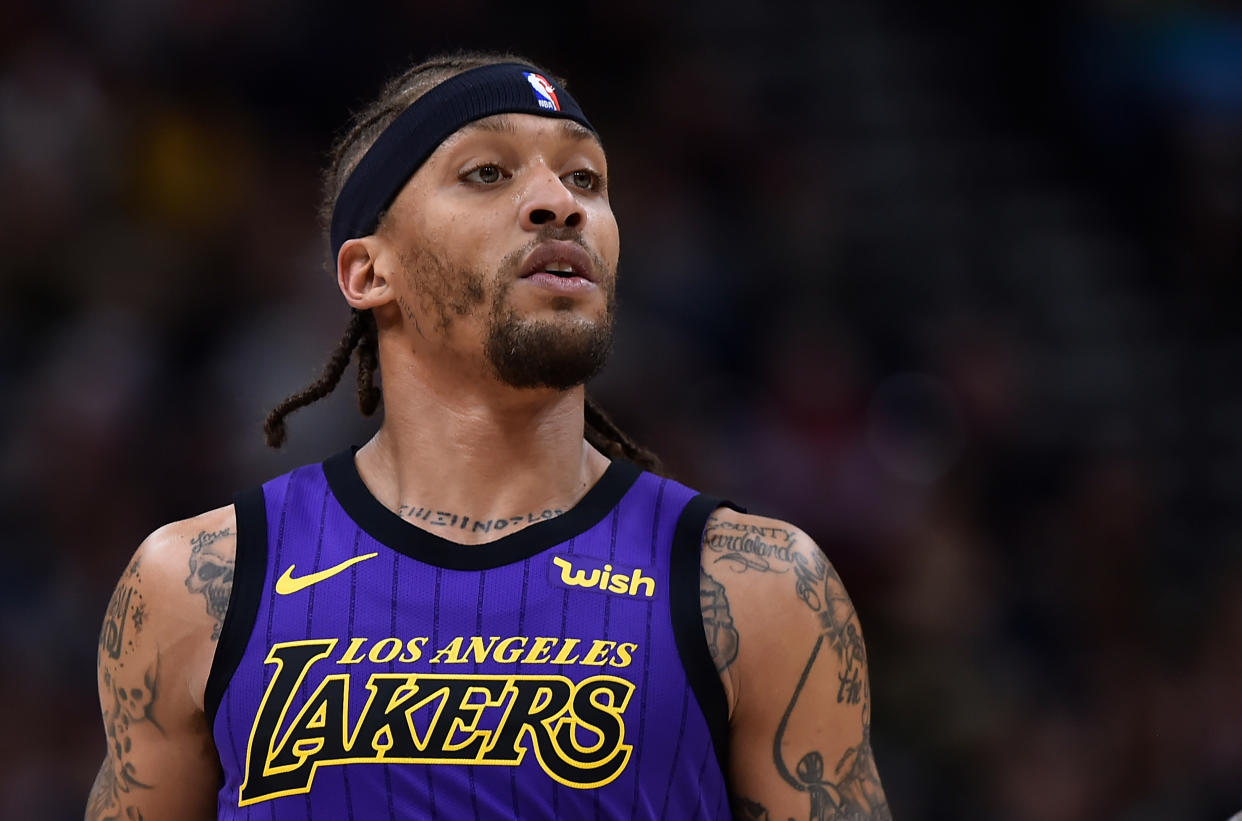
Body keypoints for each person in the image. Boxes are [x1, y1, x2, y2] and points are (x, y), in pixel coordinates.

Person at [87, 52, 891, 821]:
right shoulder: (200, 585)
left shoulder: (761, 586)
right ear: (370, 272)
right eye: (487, 173)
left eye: (586, 178)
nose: (561, 202)